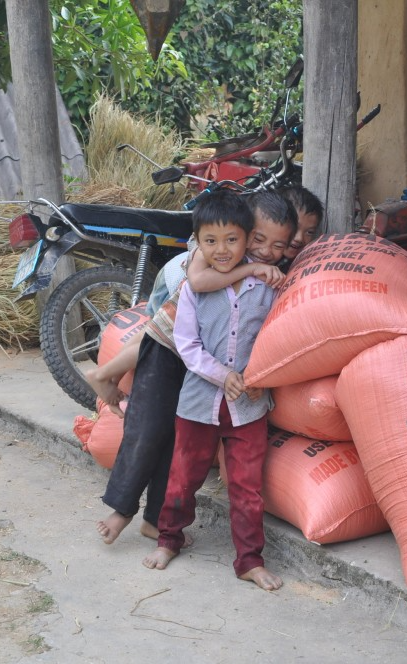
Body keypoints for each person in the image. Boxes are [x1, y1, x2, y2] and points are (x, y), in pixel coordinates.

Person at [91, 191, 298, 547]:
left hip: (205, 365)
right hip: (168, 346)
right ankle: (122, 509)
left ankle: (156, 521)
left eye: (277, 244)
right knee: (148, 427)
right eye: (257, 239)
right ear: (246, 230)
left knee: (179, 441)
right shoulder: (215, 251)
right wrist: (249, 266)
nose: (264, 250)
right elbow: (199, 284)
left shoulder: (265, 274)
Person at [142, 189, 283, 591]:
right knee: (184, 477)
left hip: (250, 406)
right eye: (210, 241)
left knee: (247, 486)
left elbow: (278, 339)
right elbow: (187, 345)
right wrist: (222, 374)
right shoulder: (193, 288)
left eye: (232, 240)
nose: (222, 250)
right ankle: (169, 539)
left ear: (248, 237)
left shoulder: (267, 286)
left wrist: (261, 377)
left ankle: (249, 561)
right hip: (199, 403)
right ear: (198, 244)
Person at [277, 184, 324, 271]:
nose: (299, 238)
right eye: (294, 227)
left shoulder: (301, 266)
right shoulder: (256, 257)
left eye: (309, 232)